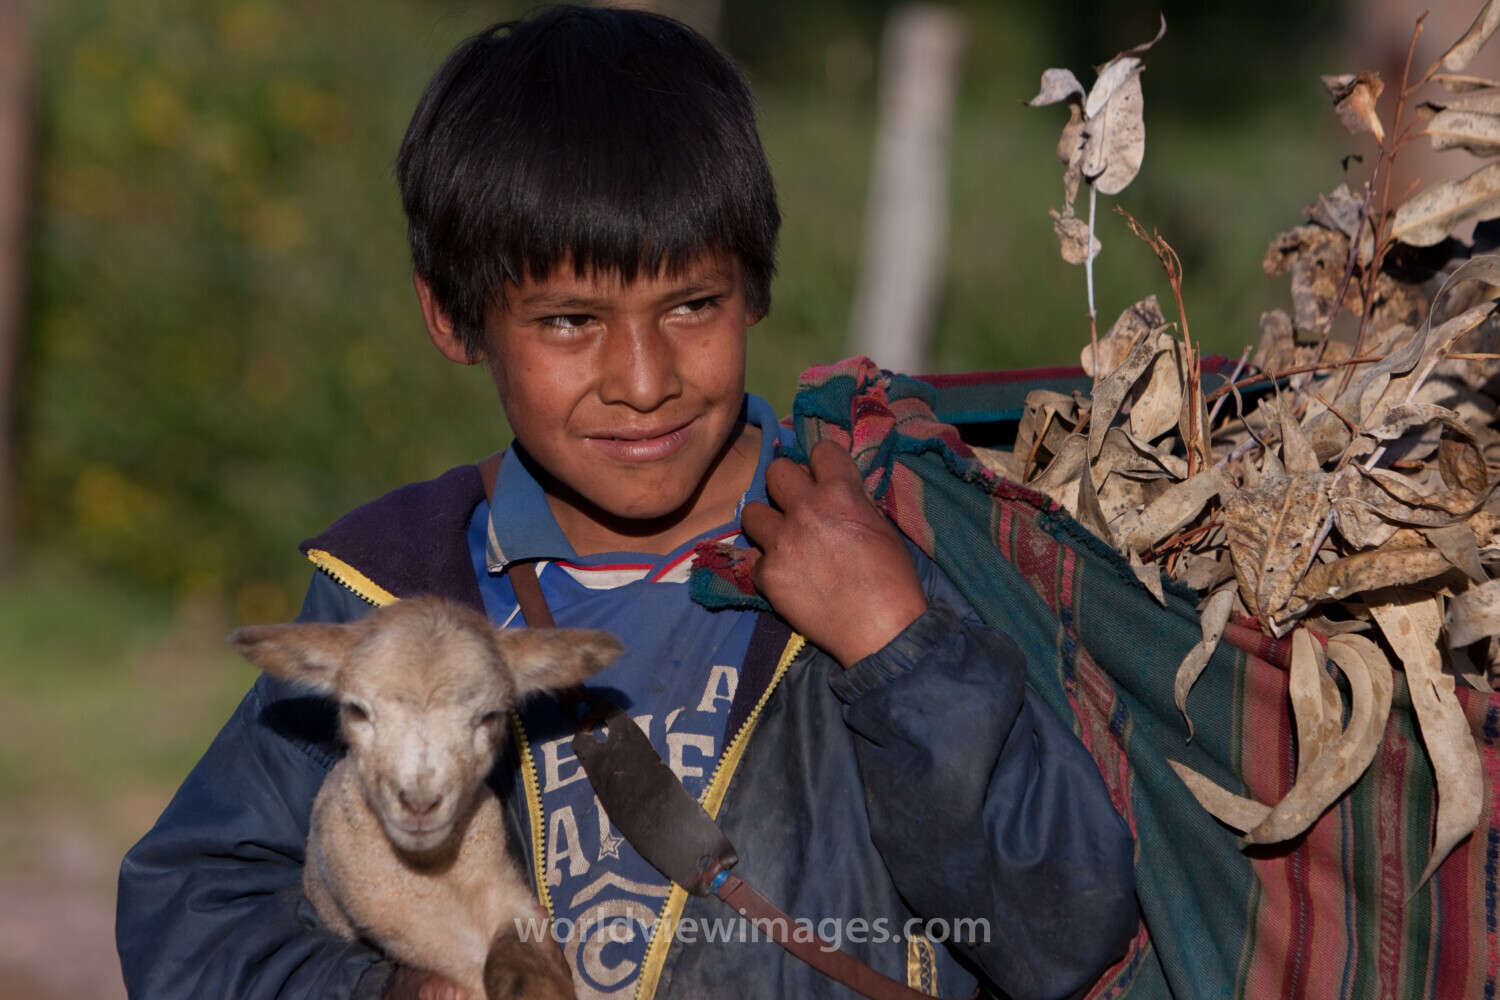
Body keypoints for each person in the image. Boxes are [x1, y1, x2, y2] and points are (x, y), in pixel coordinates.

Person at [115, 7, 1138, 1000]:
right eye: (570, 321)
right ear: (454, 316)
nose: (644, 382)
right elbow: (195, 909)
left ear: (756, 286)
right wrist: (396, 991)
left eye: (693, 304)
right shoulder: (399, 585)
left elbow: (1057, 934)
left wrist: (894, 647)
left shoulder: (887, 536)